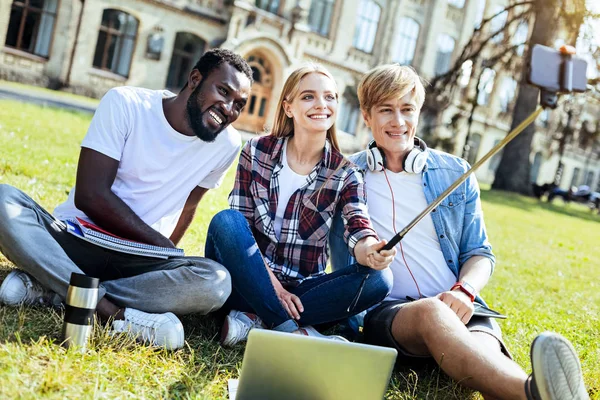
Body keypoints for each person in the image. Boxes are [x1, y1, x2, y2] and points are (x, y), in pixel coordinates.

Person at [329, 64, 589, 400]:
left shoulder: (454, 172)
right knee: (431, 312)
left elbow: (480, 253)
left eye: (407, 110)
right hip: (390, 314)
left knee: (487, 360)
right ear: (366, 115)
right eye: (386, 110)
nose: (398, 122)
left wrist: (464, 290)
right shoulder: (343, 176)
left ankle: (533, 393)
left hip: (462, 307)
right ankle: (537, 394)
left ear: (418, 113)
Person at [0, 48, 253, 350]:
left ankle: (54, 288)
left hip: (139, 262)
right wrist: (162, 246)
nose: (229, 109)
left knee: (217, 282)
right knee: (4, 200)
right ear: (195, 78)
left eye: (239, 104)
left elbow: (189, 205)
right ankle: (113, 313)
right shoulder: (126, 103)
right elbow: (91, 195)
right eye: (223, 91)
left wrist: (164, 258)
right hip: (76, 238)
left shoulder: (226, 144)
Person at [205, 64, 396, 347]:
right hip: (245, 279)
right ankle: (290, 332)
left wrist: (370, 250)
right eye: (309, 97)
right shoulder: (256, 151)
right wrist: (274, 289)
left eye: (330, 97)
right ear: (289, 107)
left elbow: (359, 225)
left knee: (380, 279)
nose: (322, 104)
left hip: (302, 292)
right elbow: (239, 226)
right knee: (226, 221)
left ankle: (257, 321)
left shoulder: (345, 173)